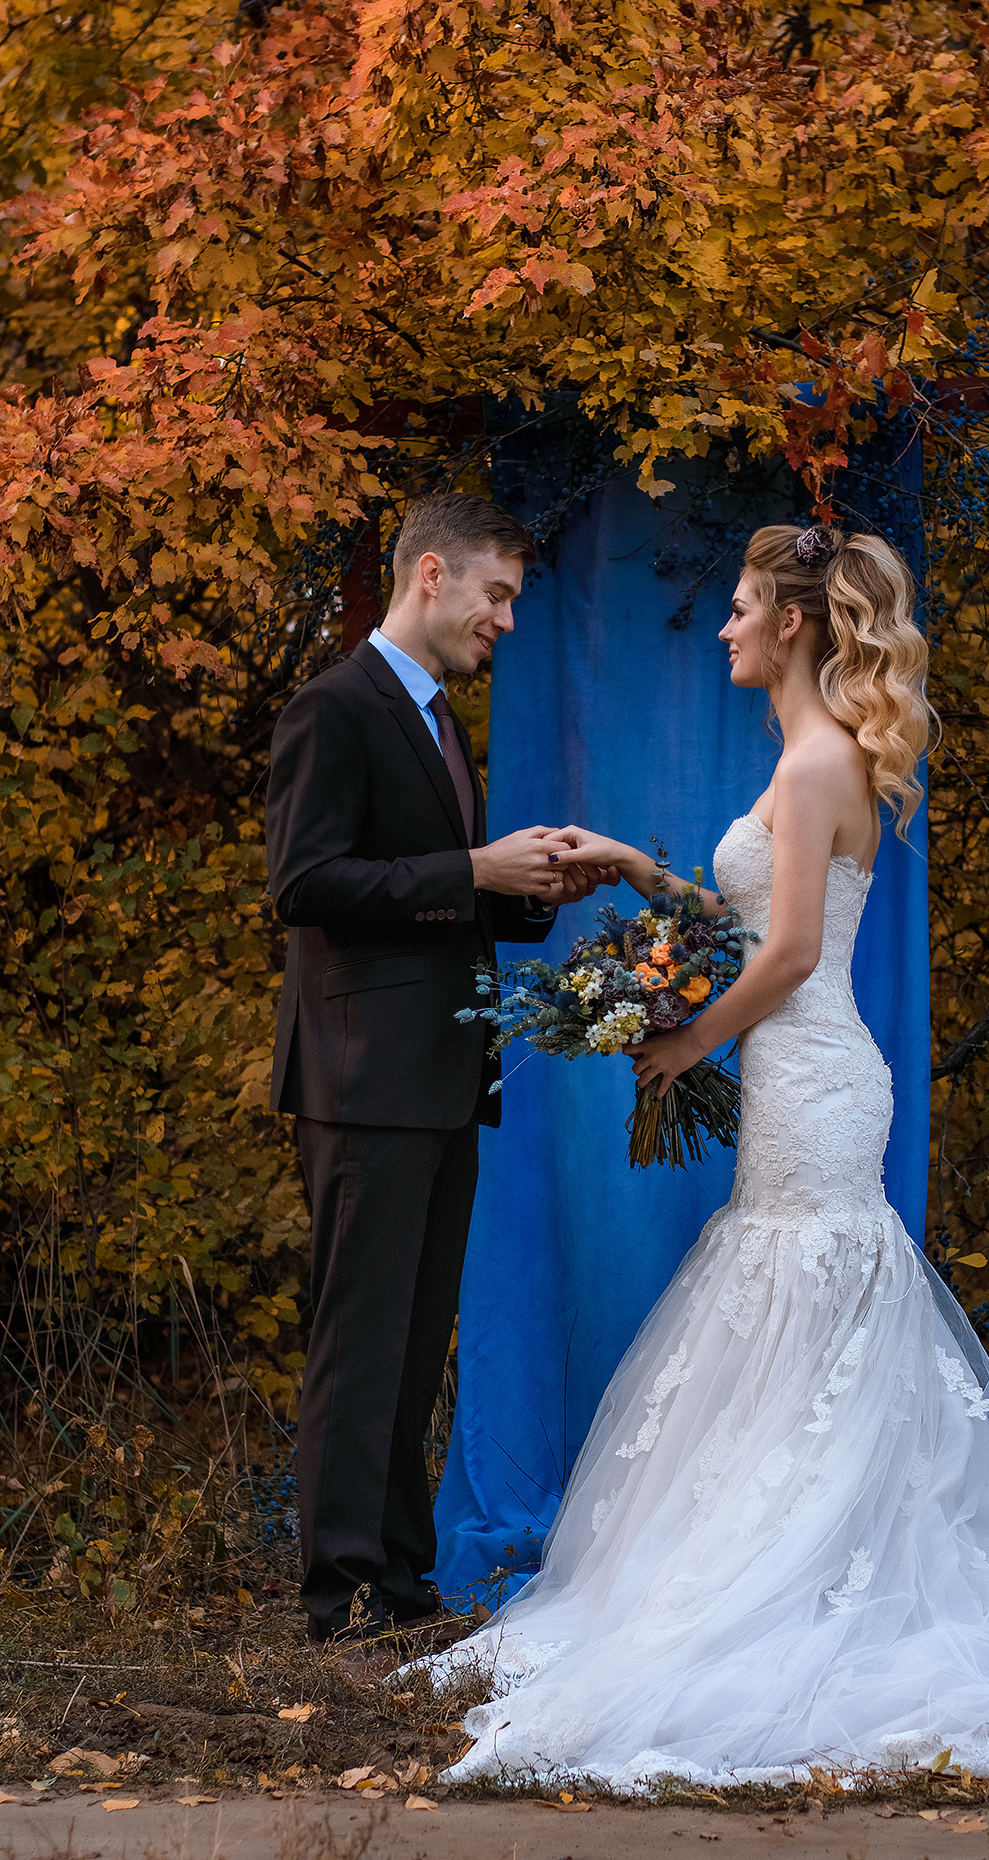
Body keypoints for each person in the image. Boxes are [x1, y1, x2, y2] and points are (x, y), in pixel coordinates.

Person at [415, 523, 989, 1786]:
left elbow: (794, 958)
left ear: (795, 626)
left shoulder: (818, 762)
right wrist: (632, 870)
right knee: (780, 1309)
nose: (724, 628)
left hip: (814, 1079)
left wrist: (686, 1045)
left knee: (802, 1293)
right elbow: (747, 918)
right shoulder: (804, 760)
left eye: (740, 608)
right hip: (796, 1072)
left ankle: (806, 1573)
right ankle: (784, 1554)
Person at [266, 492, 613, 1665]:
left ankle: (404, 1588)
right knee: (361, 1345)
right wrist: (471, 861)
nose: (506, 620)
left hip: (438, 1079)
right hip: (361, 1082)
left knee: (416, 1347)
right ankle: (334, 1605)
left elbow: (421, 898)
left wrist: (521, 895)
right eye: (496, 594)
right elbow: (304, 887)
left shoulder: (426, 716)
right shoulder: (335, 707)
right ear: (429, 575)